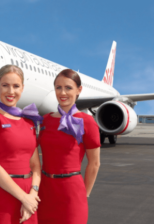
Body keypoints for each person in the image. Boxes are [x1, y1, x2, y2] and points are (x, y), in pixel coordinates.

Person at [0, 65, 42, 224]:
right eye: (5, 85)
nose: (10, 91)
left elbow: (35, 166)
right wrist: (24, 198)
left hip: (29, 193)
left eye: (16, 86)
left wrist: (33, 194)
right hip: (3, 193)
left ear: (22, 88)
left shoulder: (29, 121)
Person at [37, 69, 101, 224]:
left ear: (79, 90)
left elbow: (94, 163)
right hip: (44, 191)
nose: (62, 92)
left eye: (68, 88)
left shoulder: (87, 122)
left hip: (72, 193)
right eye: (58, 87)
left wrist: (84, 194)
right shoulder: (45, 120)